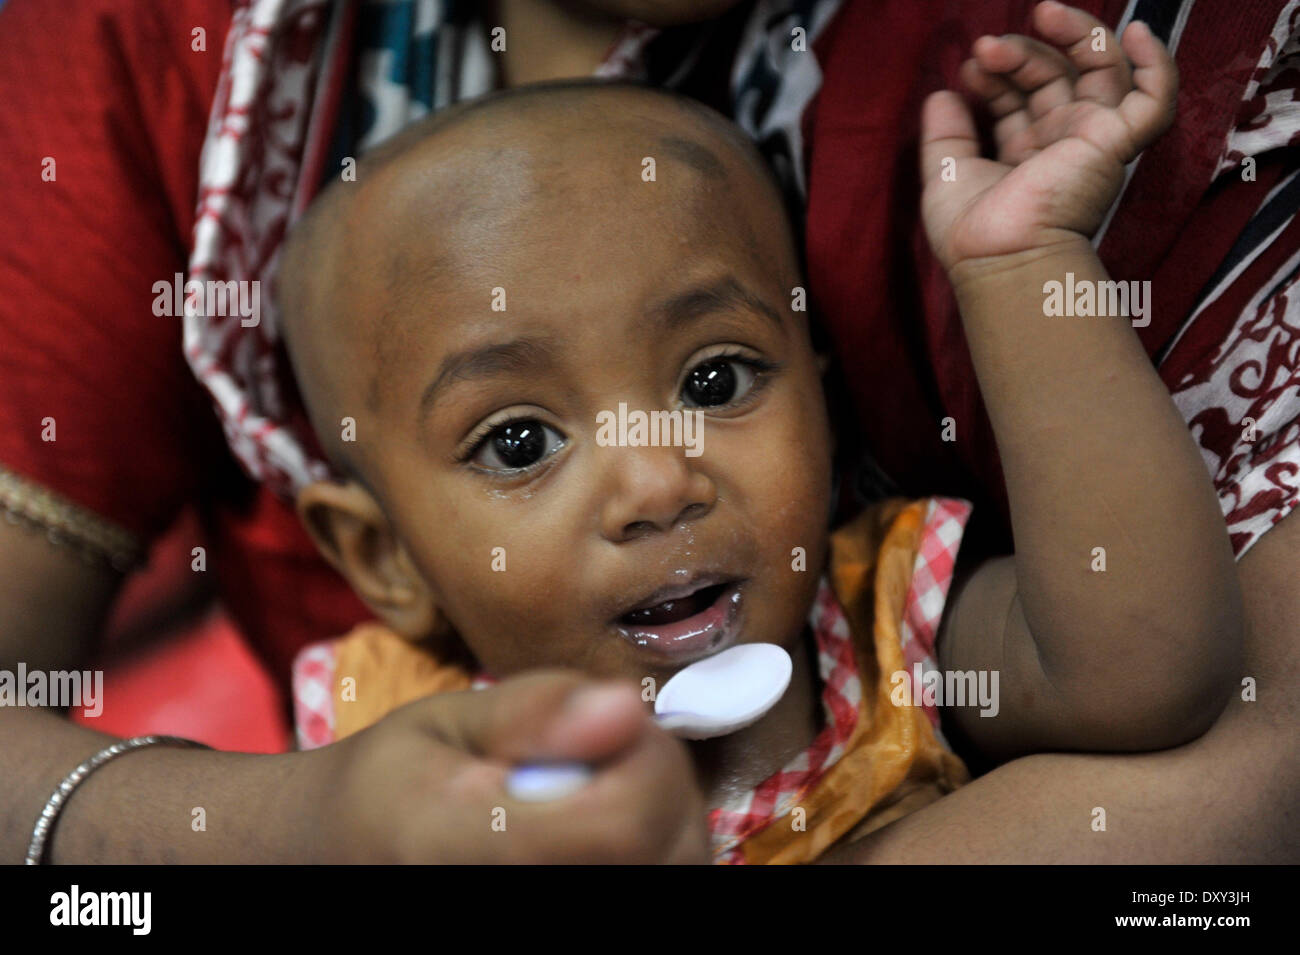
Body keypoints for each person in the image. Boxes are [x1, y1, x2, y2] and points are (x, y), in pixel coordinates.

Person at [0, 0, 1293, 863]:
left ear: (827, 399)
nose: (656, 477)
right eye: (518, 444)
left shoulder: (883, 626)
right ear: (380, 557)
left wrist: (1023, 276)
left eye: (719, 378)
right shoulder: (379, 741)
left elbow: (1153, 669)